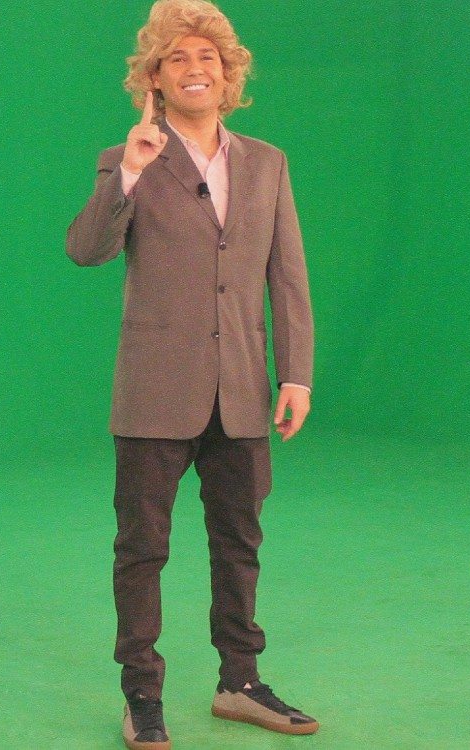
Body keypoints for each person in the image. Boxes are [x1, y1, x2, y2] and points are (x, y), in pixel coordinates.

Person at [65, 1, 316, 748]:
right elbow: (85, 249)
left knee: (239, 540)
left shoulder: (267, 162)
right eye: (178, 57)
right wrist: (129, 172)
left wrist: (295, 374)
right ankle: (141, 694)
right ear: (154, 77)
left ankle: (240, 681)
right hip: (153, 391)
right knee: (142, 548)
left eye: (209, 57)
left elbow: (287, 274)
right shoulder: (129, 157)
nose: (195, 68)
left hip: (241, 390)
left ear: (229, 74)